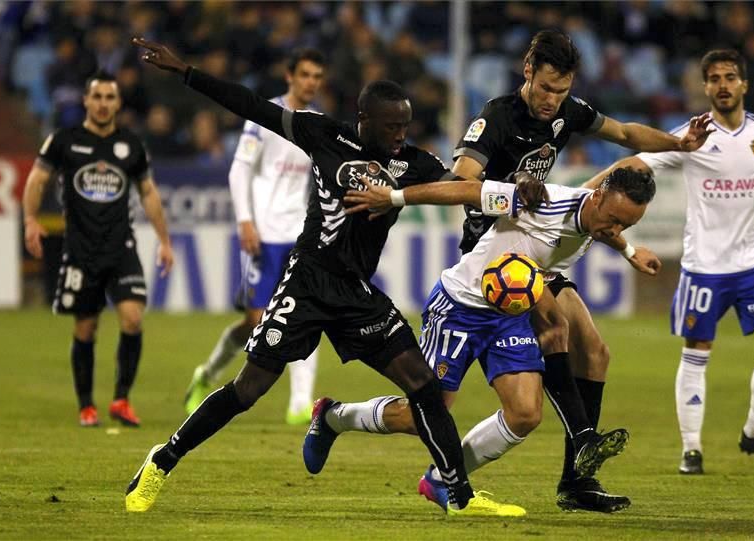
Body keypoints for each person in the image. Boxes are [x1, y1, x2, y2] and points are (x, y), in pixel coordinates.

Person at [125, 37, 521, 517]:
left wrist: (513, 197)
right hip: (308, 282)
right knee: (247, 391)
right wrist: (187, 71)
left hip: (357, 293)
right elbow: (250, 105)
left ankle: (459, 497)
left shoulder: (412, 163)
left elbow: (464, 189)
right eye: (391, 126)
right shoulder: (323, 135)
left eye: (405, 126)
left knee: (424, 386)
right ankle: (160, 463)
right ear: (364, 120)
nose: (400, 135)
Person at [449, 29, 712, 511]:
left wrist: (680, 143)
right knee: (555, 329)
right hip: (497, 252)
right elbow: (462, 178)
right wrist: (510, 186)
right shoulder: (497, 117)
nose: (553, 100)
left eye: (562, 91)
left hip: (540, 247)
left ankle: (578, 480)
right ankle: (582, 441)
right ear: (527, 70)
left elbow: (628, 135)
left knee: (596, 352)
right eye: (547, 88)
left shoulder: (568, 113)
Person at [308, 166, 657, 515]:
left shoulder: (596, 220)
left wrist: (627, 251)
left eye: (625, 226)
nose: (615, 230)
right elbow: (466, 191)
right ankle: (334, 417)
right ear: (596, 197)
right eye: (613, 219)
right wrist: (394, 197)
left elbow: (604, 226)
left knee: (524, 414)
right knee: (426, 416)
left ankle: (443, 480)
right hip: (460, 306)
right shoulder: (540, 203)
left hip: (509, 315)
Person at [606, 49, 754, 475]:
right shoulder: (690, 137)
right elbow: (635, 162)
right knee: (697, 352)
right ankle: (691, 449)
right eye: (714, 78)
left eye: (730, 77)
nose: (723, 84)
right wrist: (588, 192)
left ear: (744, 85)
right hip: (705, 266)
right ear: (705, 87)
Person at [22, 70, 174, 428]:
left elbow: (148, 193)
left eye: (110, 98)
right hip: (80, 251)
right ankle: (86, 404)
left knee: (133, 318)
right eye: (97, 97)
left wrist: (165, 241)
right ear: (86, 101)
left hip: (121, 247)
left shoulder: (131, 146)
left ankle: (121, 399)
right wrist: (30, 220)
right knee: (86, 329)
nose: (104, 104)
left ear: (118, 104)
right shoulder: (65, 141)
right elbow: (38, 178)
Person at [184, 48, 327, 423]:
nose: (312, 82)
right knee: (256, 320)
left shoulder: (317, 123)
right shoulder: (266, 118)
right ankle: (208, 373)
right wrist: (245, 221)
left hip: (300, 236)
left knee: (304, 315)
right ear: (290, 76)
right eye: (306, 75)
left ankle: (300, 403)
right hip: (263, 234)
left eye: (317, 76)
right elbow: (239, 171)